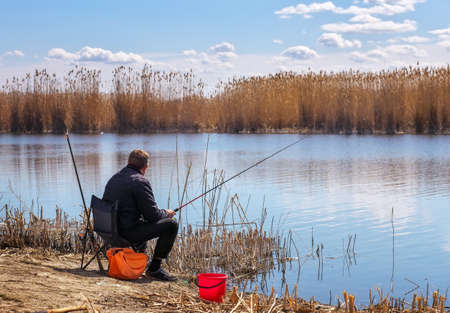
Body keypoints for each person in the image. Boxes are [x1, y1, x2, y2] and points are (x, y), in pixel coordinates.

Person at [103, 149, 178, 281]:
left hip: (108, 230)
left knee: (141, 219)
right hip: (125, 233)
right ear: (145, 166)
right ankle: (154, 269)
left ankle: (139, 258)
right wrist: (167, 213)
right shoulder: (140, 182)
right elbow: (153, 216)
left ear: (128, 162)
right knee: (171, 225)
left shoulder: (115, 178)